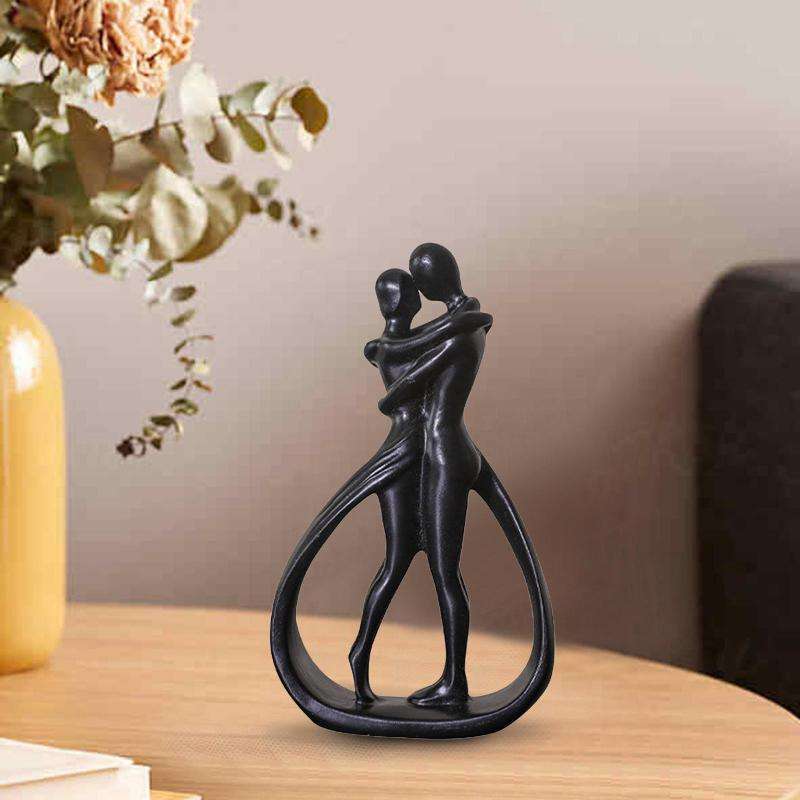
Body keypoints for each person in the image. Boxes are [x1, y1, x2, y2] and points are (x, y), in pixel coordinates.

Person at [349, 267, 492, 703]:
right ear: (401, 302)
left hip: (425, 454)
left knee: (415, 564)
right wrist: (469, 315)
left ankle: (445, 676)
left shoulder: (413, 340)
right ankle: (362, 651)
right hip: (402, 452)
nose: (415, 297)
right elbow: (430, 346)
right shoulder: (388, 347)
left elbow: (440, 336)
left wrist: (468, 316)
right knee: (400, 562)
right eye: (408, 291)